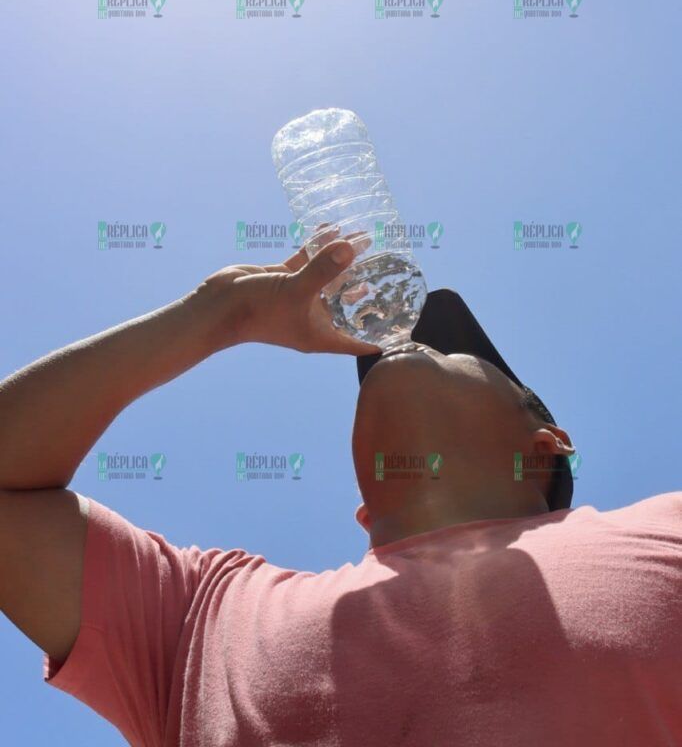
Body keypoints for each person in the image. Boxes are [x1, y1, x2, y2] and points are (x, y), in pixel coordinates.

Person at [0, 239, 680, 746]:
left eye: (449, 351)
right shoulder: (207, 617)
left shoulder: (664, 532)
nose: (402, 345)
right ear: (365, 507)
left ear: (546, 445)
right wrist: (220, 314)